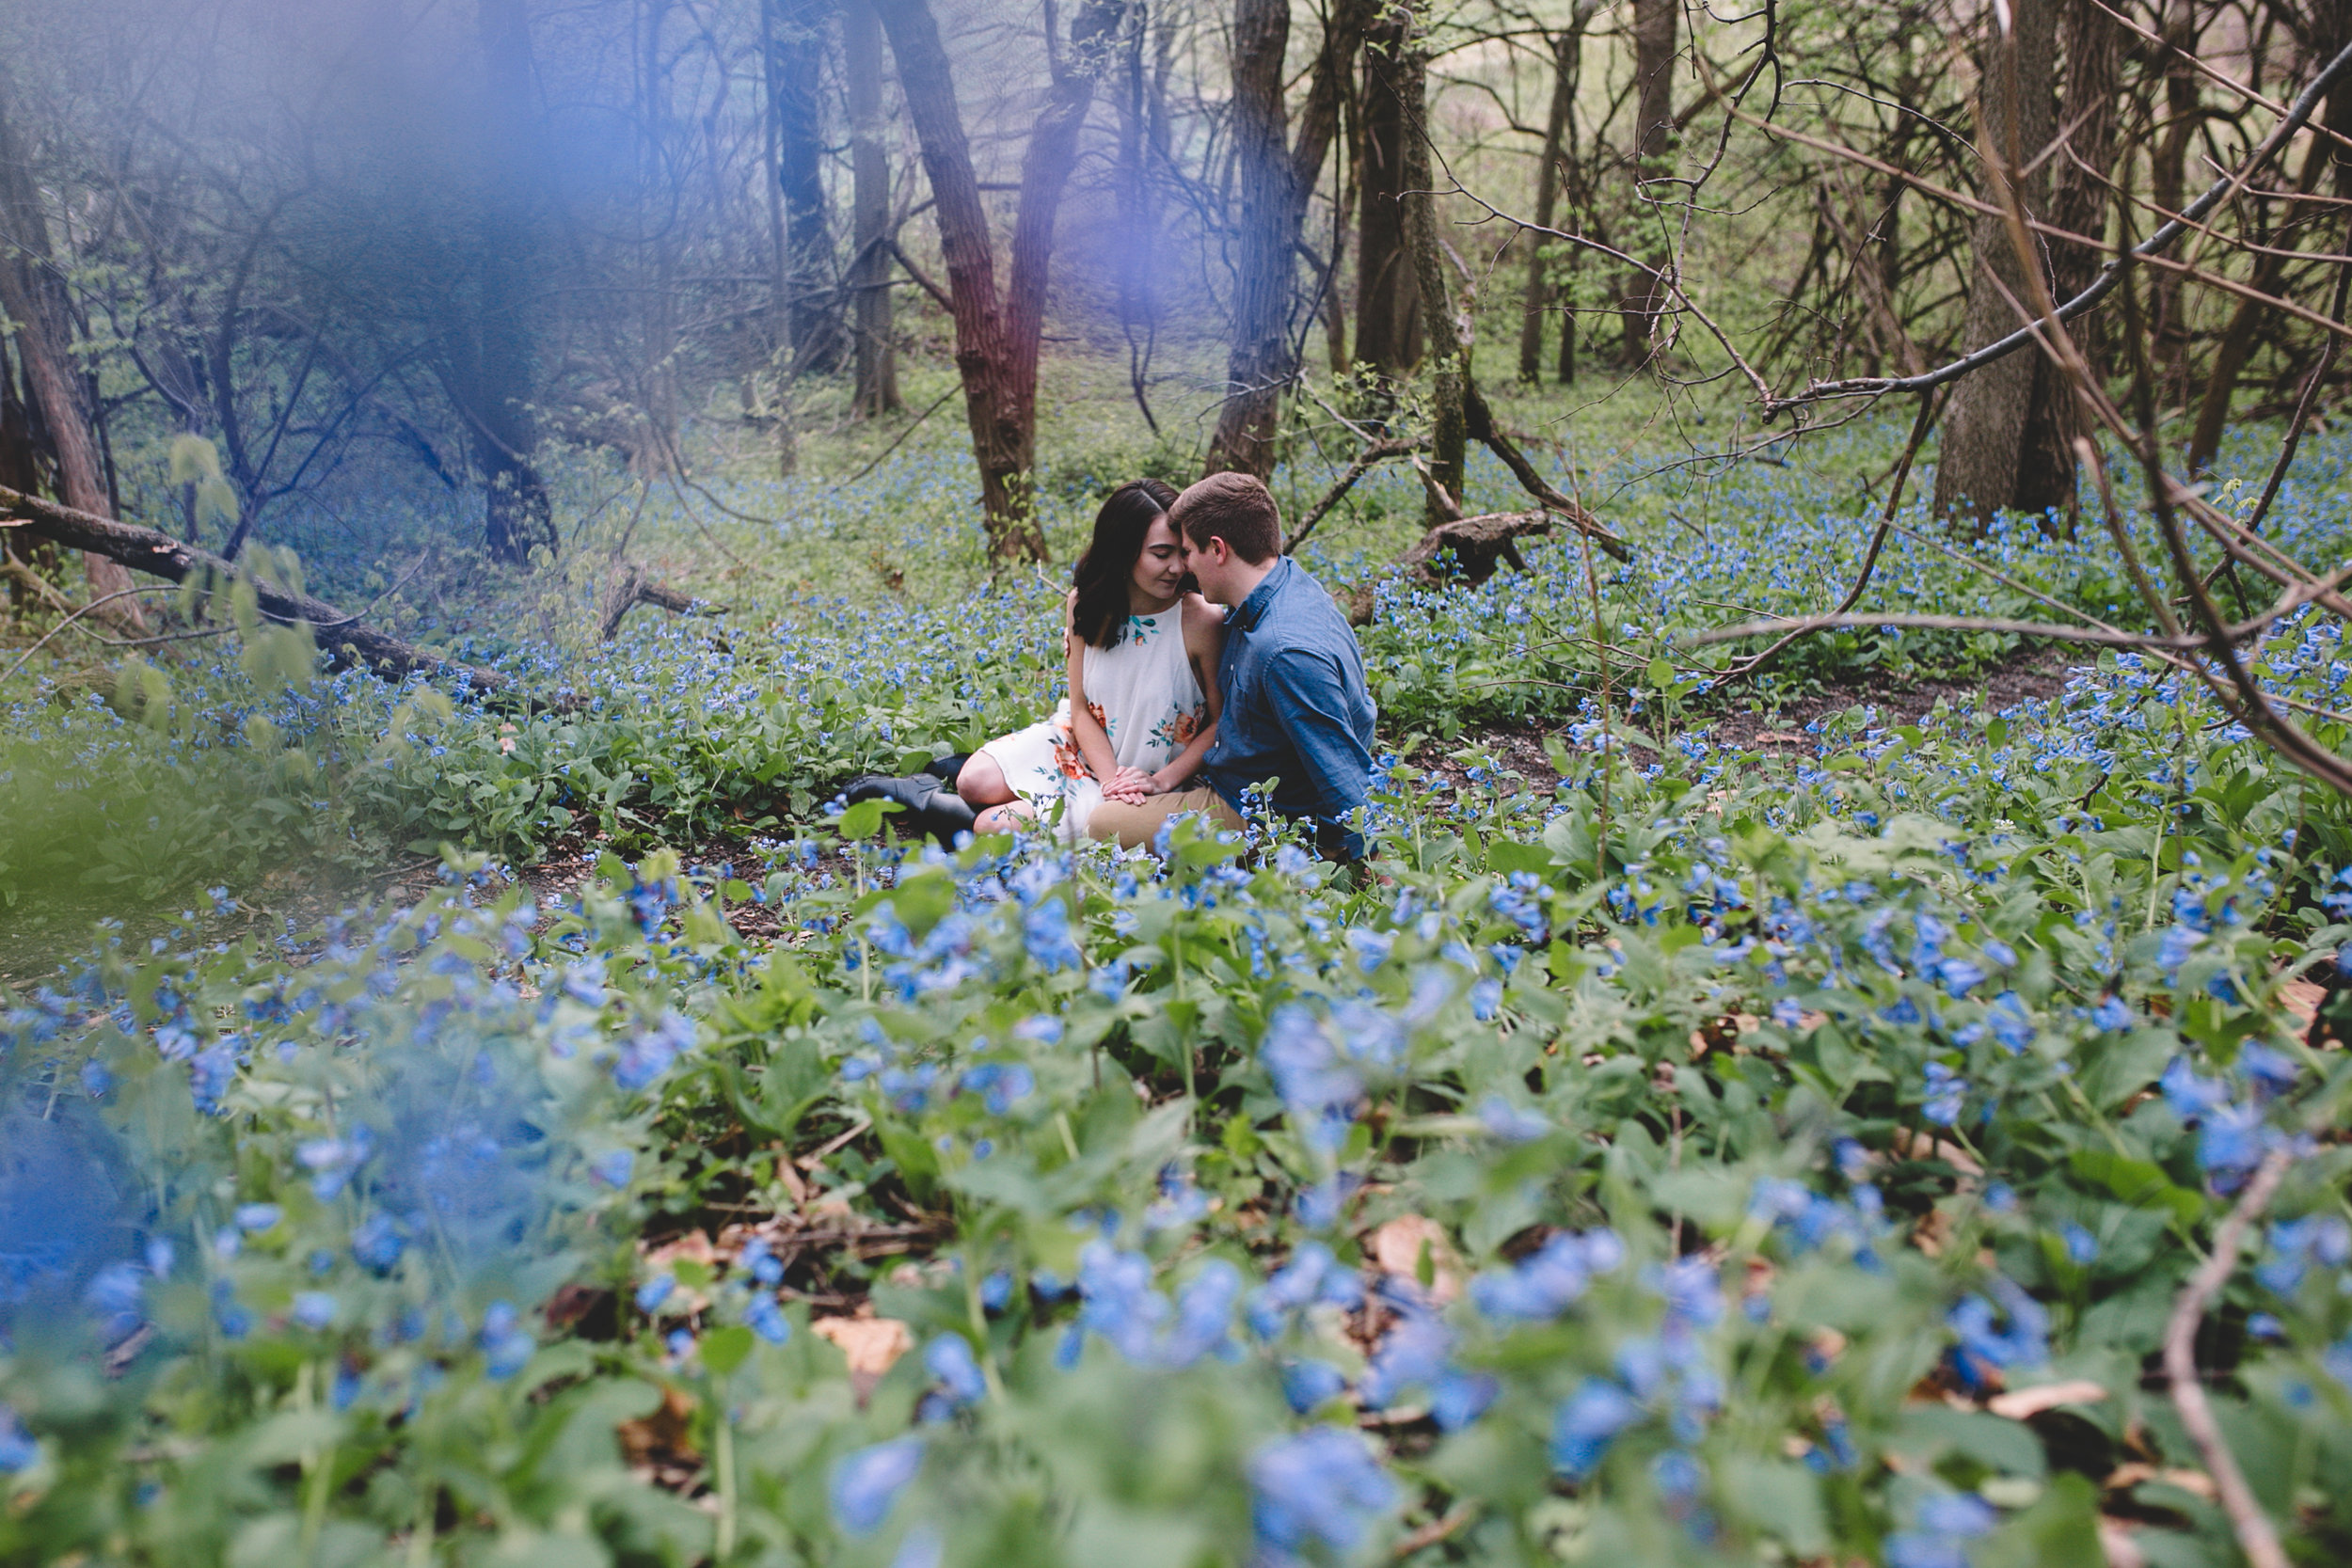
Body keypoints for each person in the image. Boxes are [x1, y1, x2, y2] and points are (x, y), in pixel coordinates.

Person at [1088, 471, 1377, 860]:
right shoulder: (1286, 586)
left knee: (1103, 822)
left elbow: (1339, 766)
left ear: (1218, 550)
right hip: (1242, 779)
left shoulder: (1283, 651)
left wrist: (1378, 864)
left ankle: (1291, 857)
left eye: (1188, 552)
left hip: (1262, 814)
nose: (1184, 567)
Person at [955, 480, 1225, 840]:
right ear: (1123, 553)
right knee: (972, 782)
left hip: (1155, 775)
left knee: (992, 826)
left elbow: (1221, 724)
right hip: (1084, 749)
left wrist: (1159, 781)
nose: (1177, 568)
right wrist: (1112, 778)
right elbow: (1081, 709)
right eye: (1161, 554)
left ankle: (941, 811)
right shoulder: (1086, 603)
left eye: (1183, 553)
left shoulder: (1201, 619)